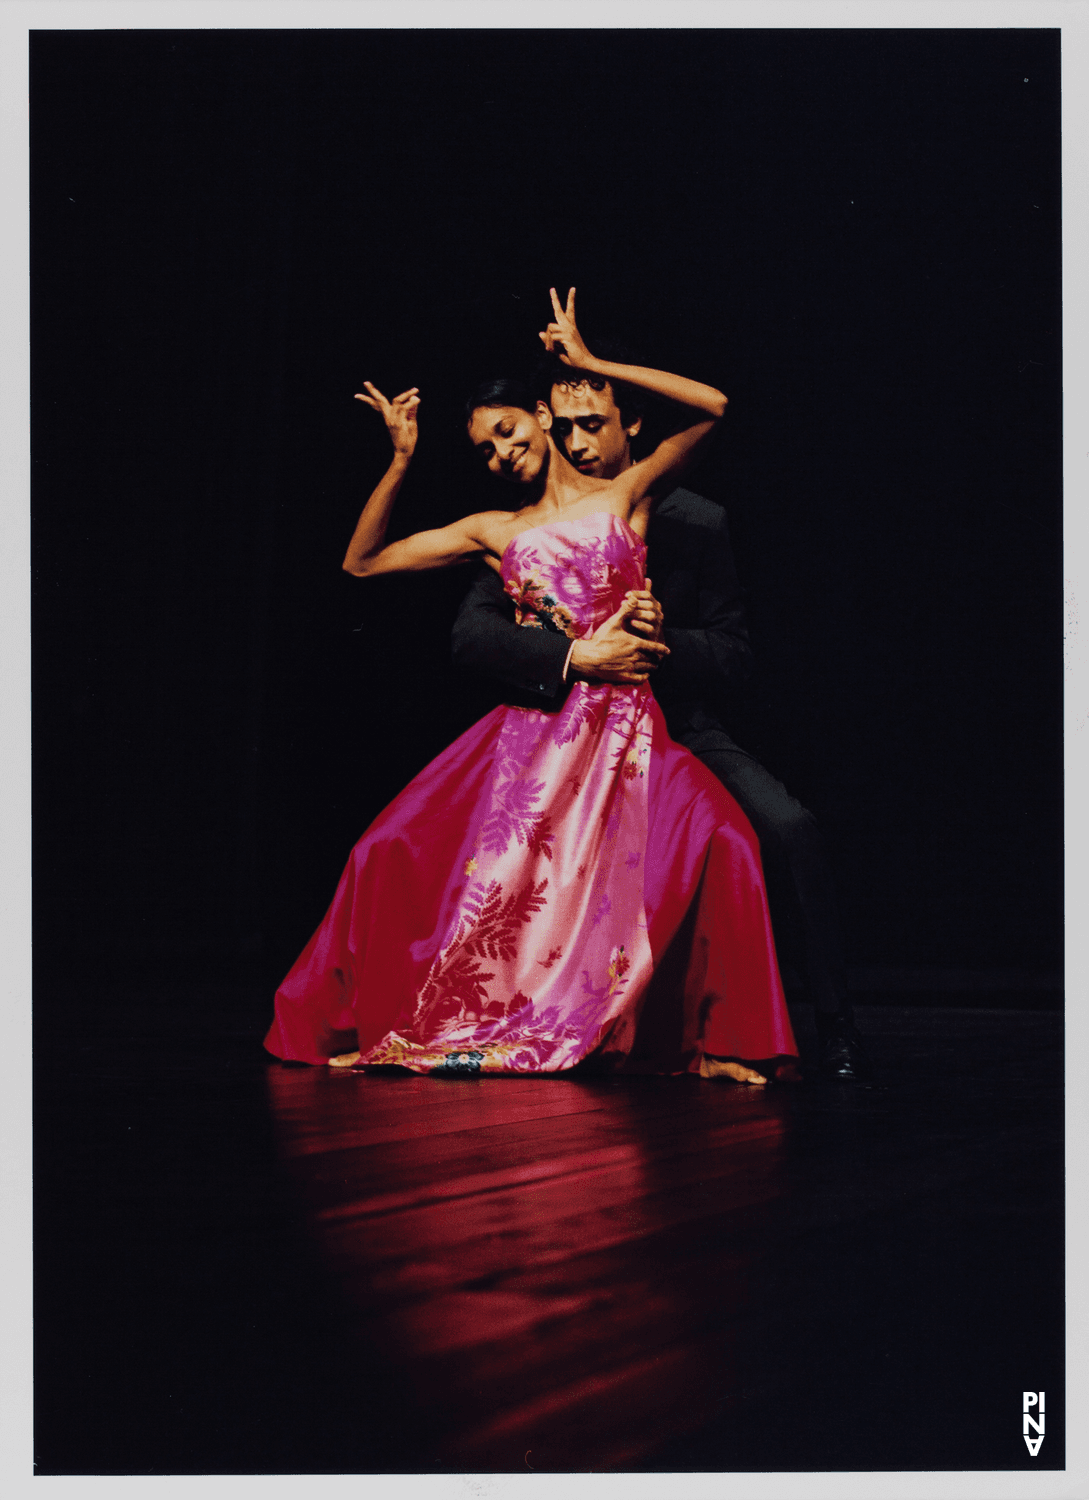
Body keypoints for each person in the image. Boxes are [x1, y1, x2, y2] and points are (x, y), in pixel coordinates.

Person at [264, 288, 798, 1083]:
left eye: (507, 434)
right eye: (483, 450)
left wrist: (589, 364)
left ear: (542, 423)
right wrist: (402, 459)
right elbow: (361, 561)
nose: (499, 455)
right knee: (387, 848)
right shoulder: (496, 531)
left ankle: (705, 1040)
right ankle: (391, 1018)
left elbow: (713, 406)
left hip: (624, 730)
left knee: (724, 842)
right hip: (536, 737)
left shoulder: (625, 497)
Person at [451, 344, 872, 1081]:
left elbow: (735, 652)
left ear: (633, 424)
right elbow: (473, 632)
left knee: (787, 829)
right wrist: (573, 655)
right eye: (566, 427)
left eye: (593, 424)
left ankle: (833, 1023)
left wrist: (661, 640)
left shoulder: (694, 520)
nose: (577, 443)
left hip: (679, 727)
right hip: (566, 736)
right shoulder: (531, 526)